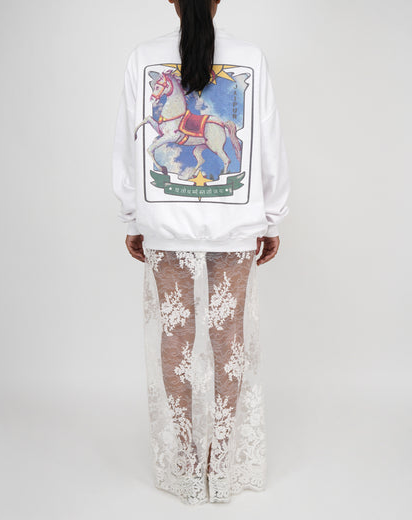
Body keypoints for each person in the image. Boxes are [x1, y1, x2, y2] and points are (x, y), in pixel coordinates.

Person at [112, 0, 290, 505]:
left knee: (176, 335)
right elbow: (268, 139)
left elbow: (126, 143)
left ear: (171, 0)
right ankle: (222, 462)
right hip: (234, 224)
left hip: (165, 224)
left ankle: (187, 461)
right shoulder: (250, 56)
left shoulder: (143, 57)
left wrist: (134, 216)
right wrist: (272, 216)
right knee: (228, 337)